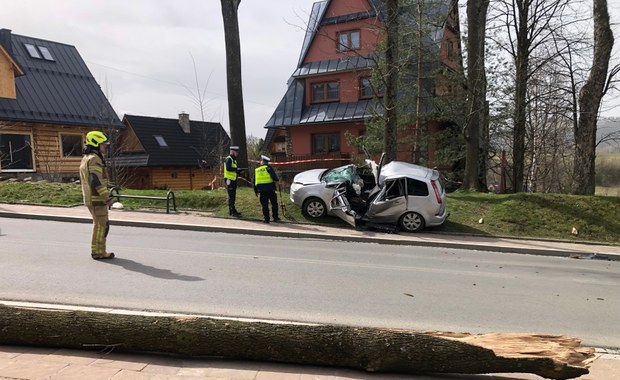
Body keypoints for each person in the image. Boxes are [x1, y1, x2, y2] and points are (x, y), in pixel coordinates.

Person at [79, 131, 114, 260]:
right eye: (103, 144)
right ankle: (98, 252)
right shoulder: (95, 159)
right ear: (96, 144)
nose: (104, 147)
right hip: (97, 199)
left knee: (100, 225)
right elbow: (95, 180)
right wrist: (107, 197)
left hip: (91, 198)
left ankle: (98, 250)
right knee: (101, 226)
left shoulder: (86, 158)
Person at [254, 155, 280, 224]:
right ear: (267, 162)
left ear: (262, 161)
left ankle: (266, 219)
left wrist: (255, 191)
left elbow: (255, 181)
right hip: (270, 189)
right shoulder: (269, 168)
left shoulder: (257, 170)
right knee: (274, 203)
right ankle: (275, 217)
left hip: (262, 191)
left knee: (264, 205)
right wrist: (277, 181)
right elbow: (274, 177)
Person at [224, 145, 242, 217]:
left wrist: (239, 172)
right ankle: (231, 211)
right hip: (229, 180)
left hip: (233, 179)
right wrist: (236, 170)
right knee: (231, 196)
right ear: (232, 151)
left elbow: (234, 170)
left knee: (233, 196)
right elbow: (228, 168)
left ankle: (233, 210)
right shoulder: (229, 159)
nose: (237, 154)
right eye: (236, 152)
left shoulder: (234, 160)